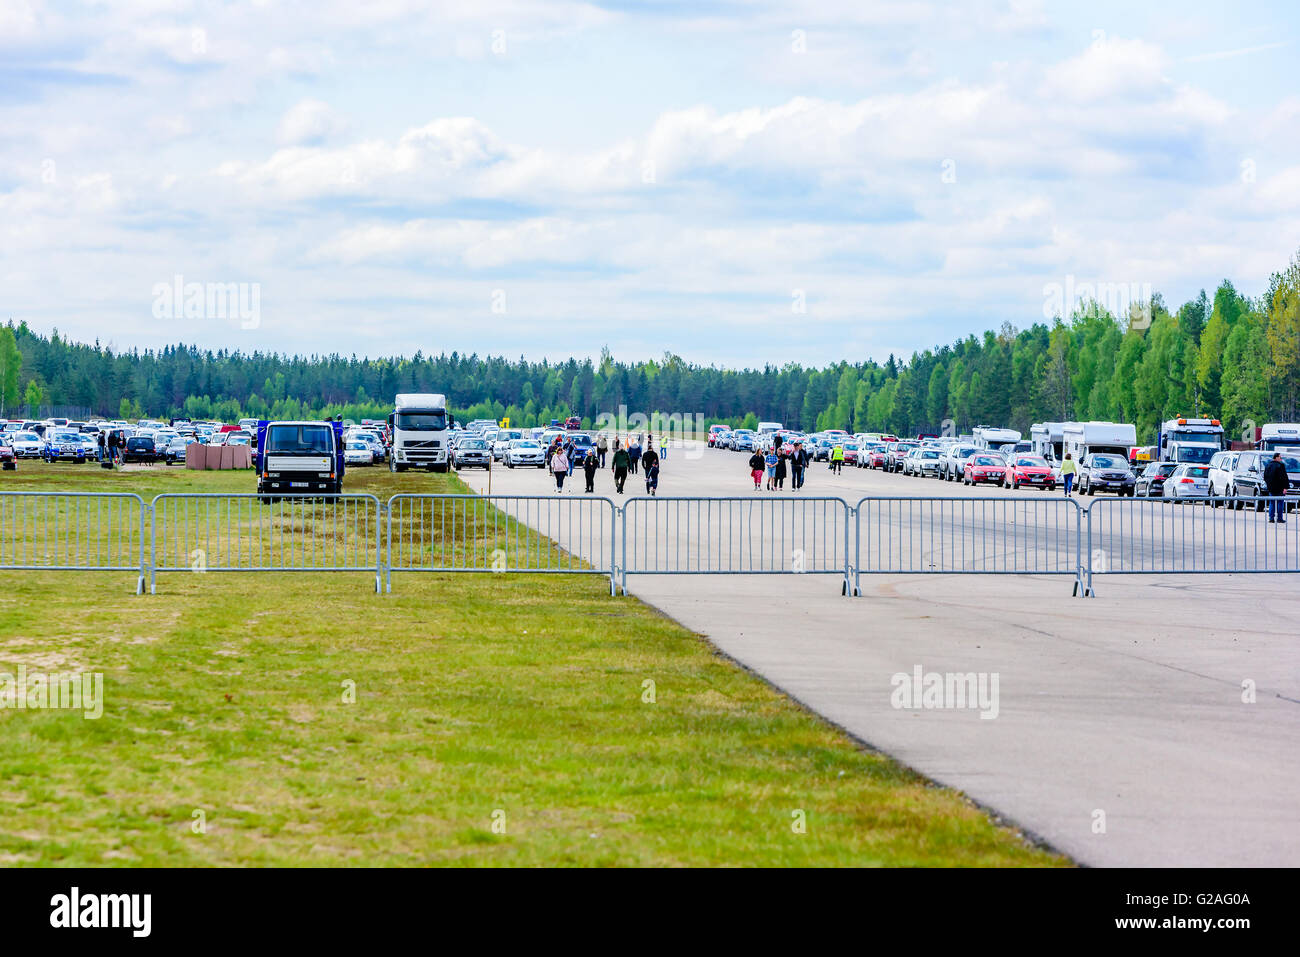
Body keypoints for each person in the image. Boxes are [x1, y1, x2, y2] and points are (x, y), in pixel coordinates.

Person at [1264, 452, 1288, 523]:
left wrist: (1269, 485)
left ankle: (1271, 518)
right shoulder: (1280, 465)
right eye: (1280, 457)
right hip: (1280, 488)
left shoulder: (1268, 465)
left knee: (1272, 503)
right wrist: (1285, 487)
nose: (1281, 459)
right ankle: (1279, 518)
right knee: (1280, 502)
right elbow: (1284, 477)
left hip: (1271, 488)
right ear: (1276, 458)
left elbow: (1265, 477)